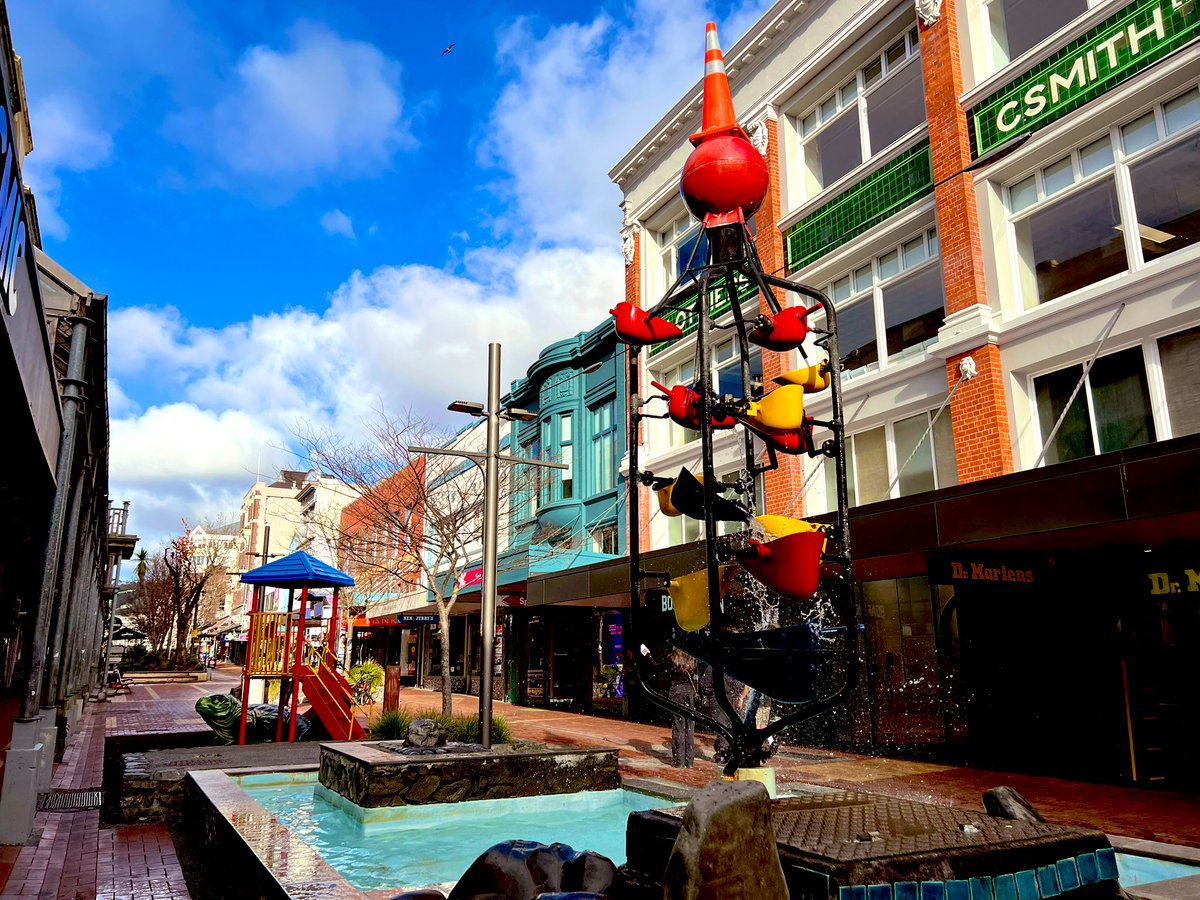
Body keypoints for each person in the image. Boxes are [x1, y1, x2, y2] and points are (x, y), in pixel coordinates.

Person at [667, 648, 698, 768]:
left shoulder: (672, 657)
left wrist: (647, 655)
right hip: (689, 692)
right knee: (689, 727)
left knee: (678, 726)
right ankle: (689, 761)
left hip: (676, 691)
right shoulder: (692, 658)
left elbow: (657, 667)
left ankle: (678, 761)